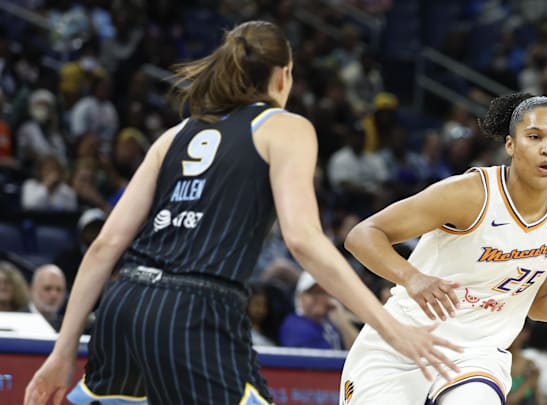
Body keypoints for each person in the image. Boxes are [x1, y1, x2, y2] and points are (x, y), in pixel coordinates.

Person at [24, 20, 460, 405]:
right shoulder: (285, 127)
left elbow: (106, 245)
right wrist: (389, 326)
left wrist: (62, 353)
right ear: (283, 75)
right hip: (194, 309)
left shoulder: (175, 135)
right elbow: (303, 239)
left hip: (125, 303)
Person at [339, 93, 547, 405]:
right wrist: (411, 277)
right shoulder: (470, 194)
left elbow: (543, 299)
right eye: (535, 137)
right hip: (401, 343)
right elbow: (363, 234)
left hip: (475, 355)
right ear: (511, 145)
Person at [28, 264, 67, 331]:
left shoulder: (67, 327)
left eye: (59, 289)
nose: (54, 295)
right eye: (47, 288)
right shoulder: (15, 319)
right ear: (32, 289)